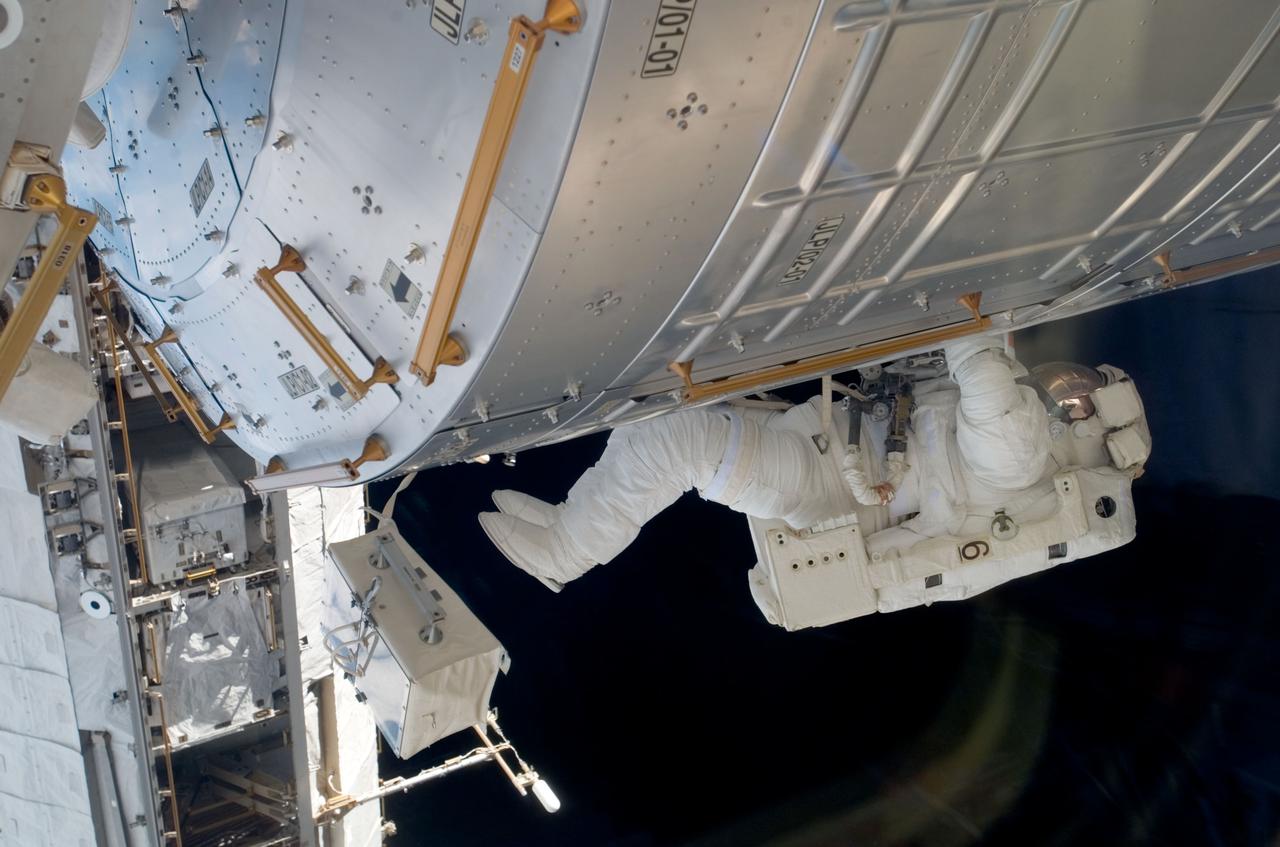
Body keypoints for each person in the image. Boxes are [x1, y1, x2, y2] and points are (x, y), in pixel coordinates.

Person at [478, 335, 1151, 601]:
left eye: (1079, 399)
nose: (1067, 391)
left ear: (1087, 428)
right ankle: (576, 517)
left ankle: (566, 552)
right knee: (663, 421)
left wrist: (974, 322)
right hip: (840, 457)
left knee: (678, 442)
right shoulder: (1027, 456)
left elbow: (986, 395)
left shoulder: (1024, 454)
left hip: (834, 495)